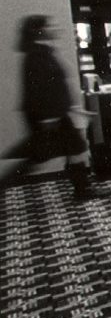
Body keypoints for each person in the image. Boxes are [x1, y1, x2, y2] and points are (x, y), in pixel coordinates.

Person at [1, 15, 95, 198]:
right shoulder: (37, 54)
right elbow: (39, 89)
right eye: (51, 25)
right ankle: (82, 189)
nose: (56, 28)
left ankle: (82, 188)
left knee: (72, 147)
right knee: (42, 156)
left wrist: (75, 109)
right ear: (40, 30)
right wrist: (48, 118)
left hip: (54, 114)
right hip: (48, 116)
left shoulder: (43, 51)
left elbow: (57, 87)